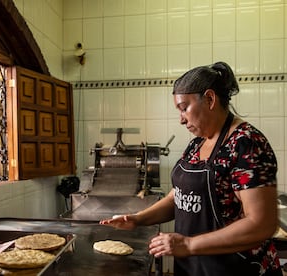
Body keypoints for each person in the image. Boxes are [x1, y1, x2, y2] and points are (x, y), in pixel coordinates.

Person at [99, 61, 282, 276]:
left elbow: (261, 224)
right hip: (195, 268)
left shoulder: (246, 143)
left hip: (237, 268)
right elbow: (179, 195)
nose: (181, 119)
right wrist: (138, 219)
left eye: (184, 108)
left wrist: (188, 245)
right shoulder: (198, 143)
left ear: (210, 99)